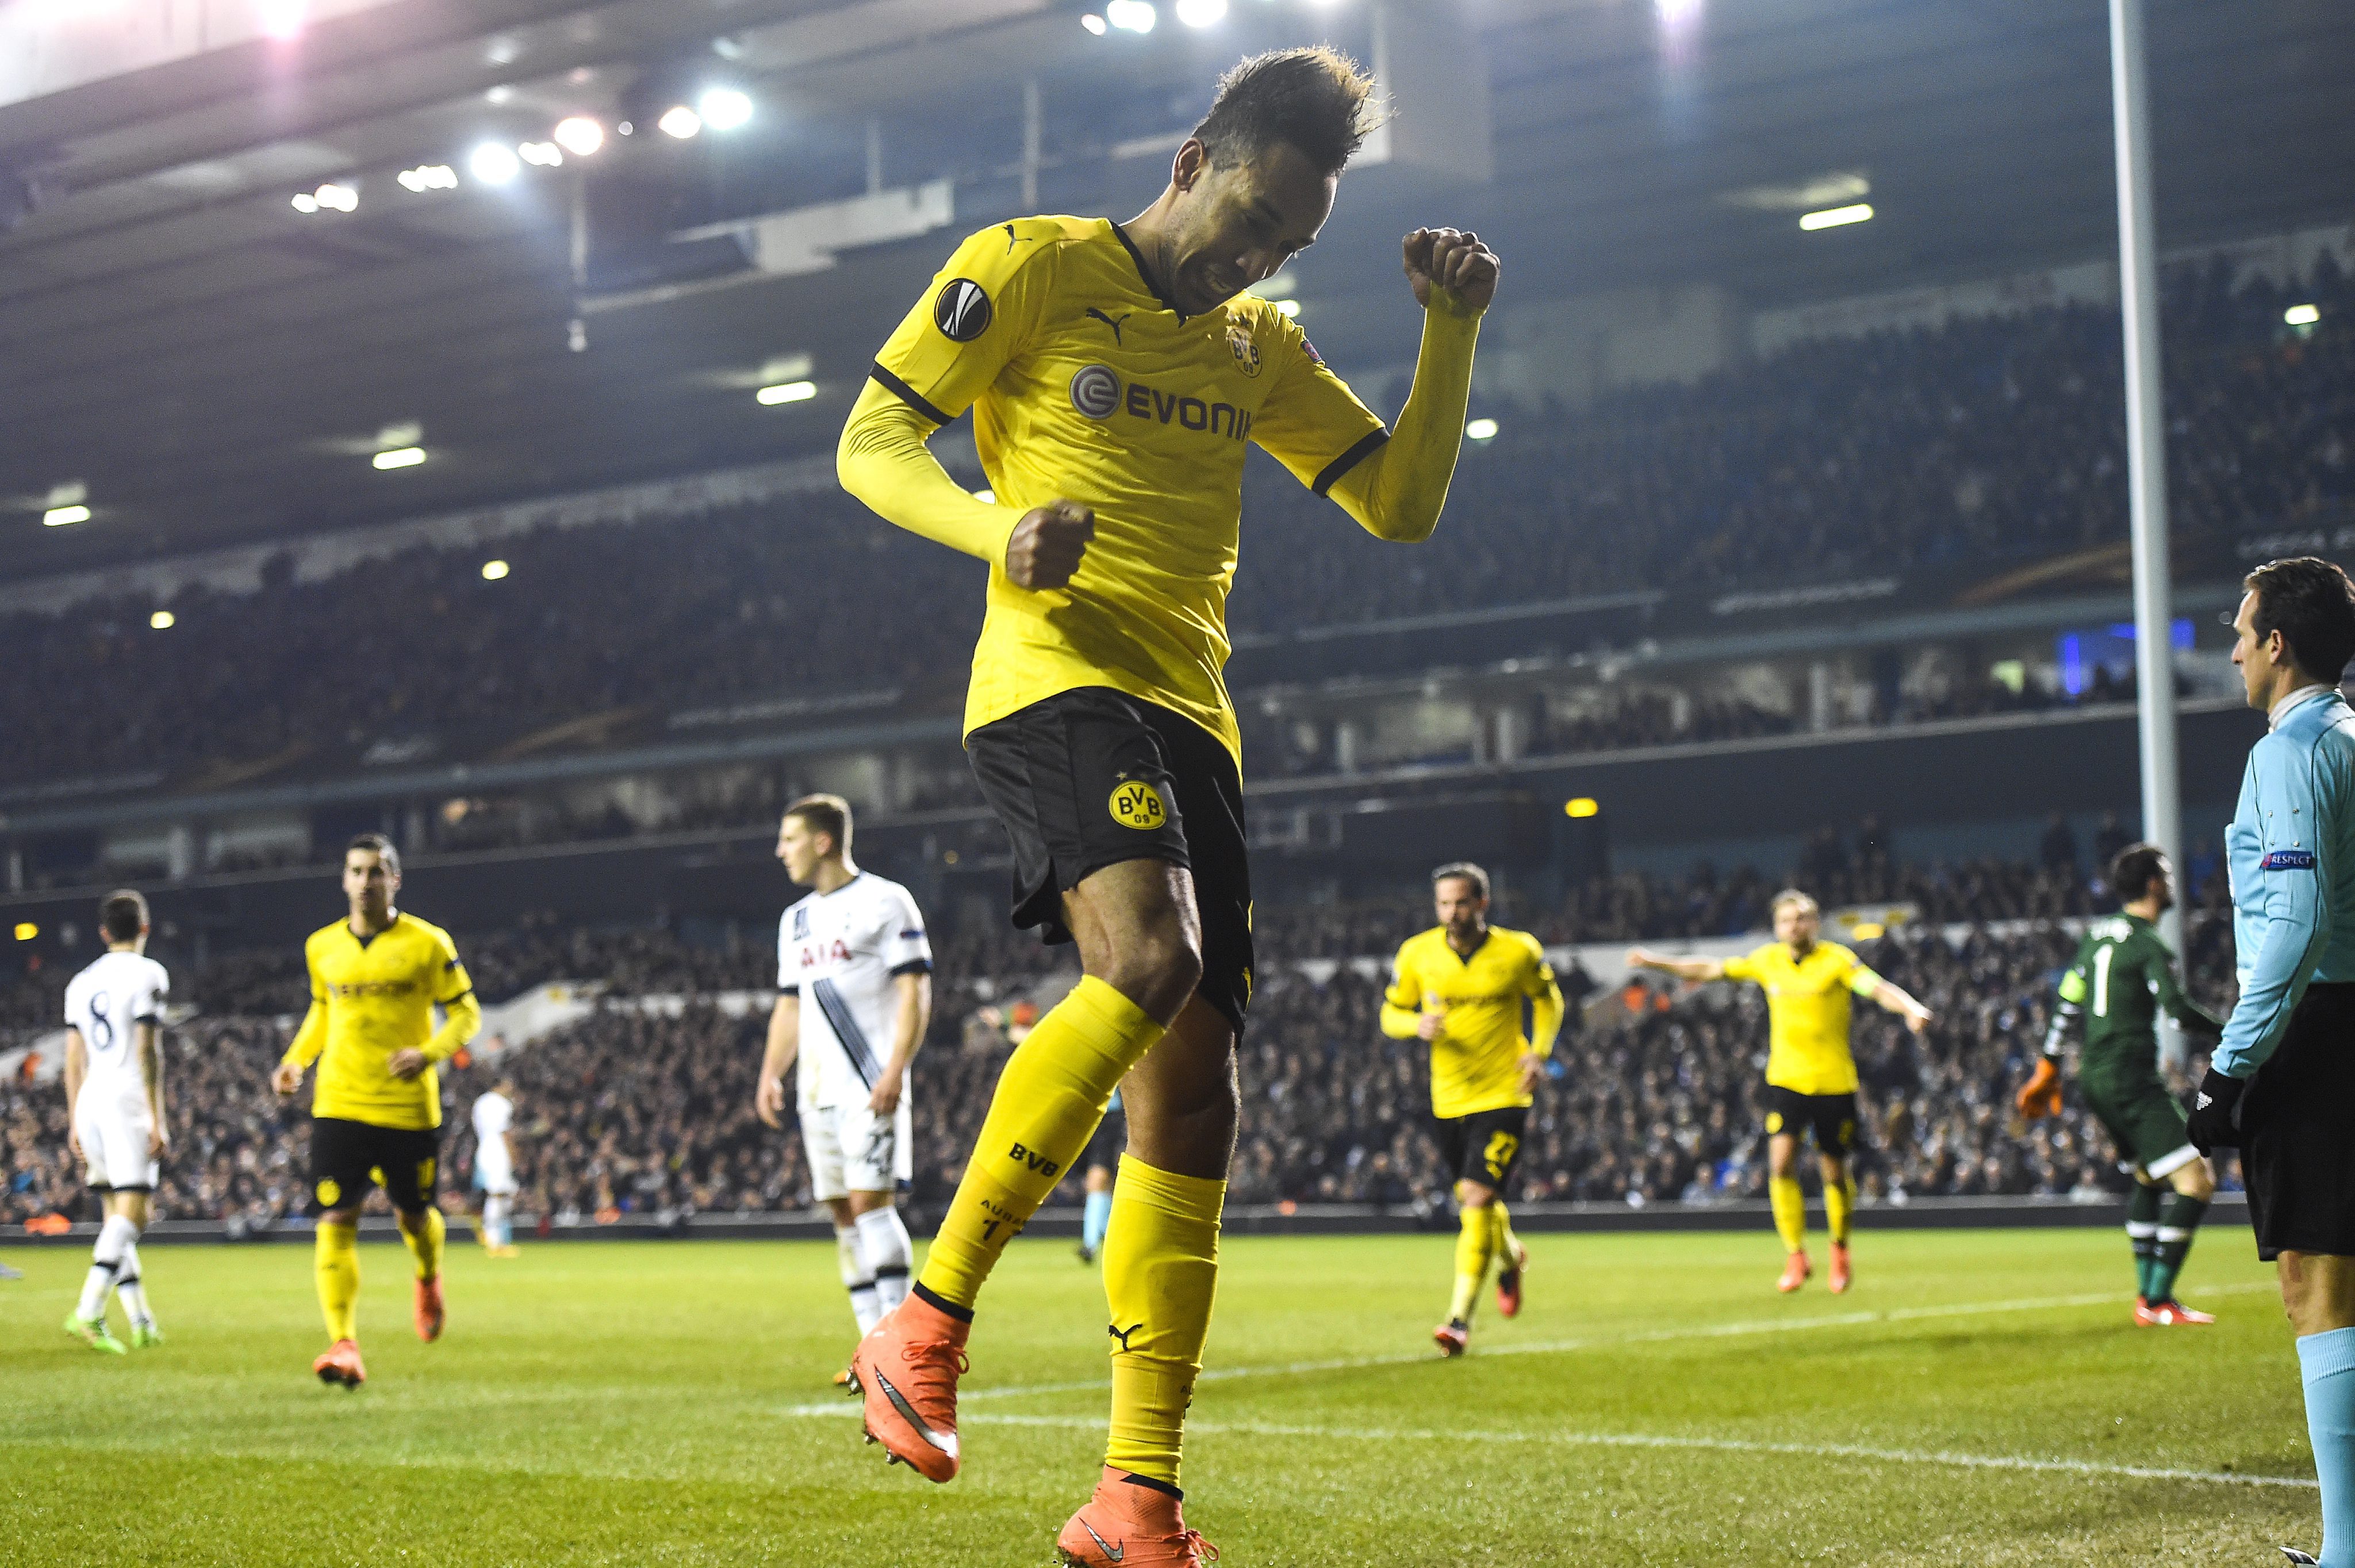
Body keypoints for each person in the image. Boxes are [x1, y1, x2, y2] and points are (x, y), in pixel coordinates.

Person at [835, 44, 1499, 1565]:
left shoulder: (1256, 347)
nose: (1256, 257)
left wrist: (1447, 336)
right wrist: (996, 530)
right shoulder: (1033, 267)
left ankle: (1134, 1492)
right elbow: (871, 442)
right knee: (1145, 962)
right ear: (1196, 156)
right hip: (1056, 675)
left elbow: (1399, 505)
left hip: (1197, 721)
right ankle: (922, 1320)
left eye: (1289, 244)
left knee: (1195, 1090)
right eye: (1251, 216)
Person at [2181, 558, 2355, 1568]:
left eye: (2241, 630)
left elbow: (2290, 921)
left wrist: (2228, 1072)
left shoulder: (2288, 751)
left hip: (2313, 1031)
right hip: (2345, 1019)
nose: (2233, 646)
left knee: (2317, 1287)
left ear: (2278, 643)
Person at [1629, 890, 1931, 1294]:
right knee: (1781, 1164)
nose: (1796, 925)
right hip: (1786, 1079)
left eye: (1803, 918)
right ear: (1777, 926)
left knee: (1833, 1173)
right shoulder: (1767, 960)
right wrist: (1656, 962)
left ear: (1816, 922)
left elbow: (1876, 988)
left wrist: (1911, 1007)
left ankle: (1839, 1249)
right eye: (1788, 919)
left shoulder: (1837, 960)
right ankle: (1795, 1254)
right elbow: (1709, 968)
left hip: (1833, 1082)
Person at [271, 835, 481, 1390]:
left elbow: (466, 1013)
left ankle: (428, 1275)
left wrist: (430, 1052)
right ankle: (344, 1342)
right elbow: (323, 1009)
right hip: (339, 1103)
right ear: (344, 879)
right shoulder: (322, 947)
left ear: (396, 879)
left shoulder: (428, 943)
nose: (365, 881)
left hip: (408, 1108)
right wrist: (296, 1061)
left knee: (414, 1216)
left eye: (376, 872)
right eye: (356, 871)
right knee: (336, 1220)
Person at [754, 796, 933, 1355]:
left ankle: (901, 1347)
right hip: (817, 1090)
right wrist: (770, 1073)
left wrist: (897, 1068)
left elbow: (915, 990)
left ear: (823, 841)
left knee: (870, 1204)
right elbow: (791, 1005)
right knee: (840, 1213)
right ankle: (869, 1347)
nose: (780, 851)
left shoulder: (886, 901)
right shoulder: (796, 920)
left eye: (790, 839)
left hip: (869, 1080)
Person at [2017, 843, 2222, 1324]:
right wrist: (2233, 1028)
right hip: (2131, 1076)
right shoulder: (2148, 945)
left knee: (2149, 1176)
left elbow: (2068, 998)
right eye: (2166, 874)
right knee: (2196, 1183)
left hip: (2094, 1075)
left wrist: (2048, 1062)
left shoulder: (2095, 938)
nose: (2170, 882)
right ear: (2153, 883)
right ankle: (2157, 1299)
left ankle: (2147, 1300)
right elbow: (2176, 1009)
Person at [1379, 863, 1562, 1356]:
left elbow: (1549, 1002)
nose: (1451, 912)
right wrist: (1414, 1025)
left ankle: (1458, 1319)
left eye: (1460, 903)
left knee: (1477, 1198)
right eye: (1443, 903)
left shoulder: (1518, 950)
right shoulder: (1418, 953)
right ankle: (1512, 1256)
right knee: (1476, 1199)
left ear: (1482, 903)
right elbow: (1390, 1012)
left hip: (1505, 1093)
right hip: (1449, 1098)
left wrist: (1538, 1052)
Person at [60, 890, 171, 1352]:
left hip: (90, 1100)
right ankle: (87, 1309)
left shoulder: (80, 981)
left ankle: (141, 1319)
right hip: (127, 1100)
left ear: (104, 932)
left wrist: (73, 1120)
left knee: (113, 1213)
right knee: (136, 1213)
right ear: (144, 927)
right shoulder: (150, 974)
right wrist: (158, 1116)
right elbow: (147, 1049)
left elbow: (72, 1060)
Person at [469, 1078, 521, 1258]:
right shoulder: (502, 1104)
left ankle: (496, 1238)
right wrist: (513, 1156)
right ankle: (494, 1241)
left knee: (499, 1194)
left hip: (484, 1148)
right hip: (498, 1151)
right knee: (498, 1195)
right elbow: (505, 1132)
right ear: (503, 1085)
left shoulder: (480, 1102)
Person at [1077, 1087, 1125, 1266]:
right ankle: (1099, 1243)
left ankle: (1091, 1244)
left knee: (1099, 1180)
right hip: (1097, 1113)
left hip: (1111, 1116)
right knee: (1100, 1183)